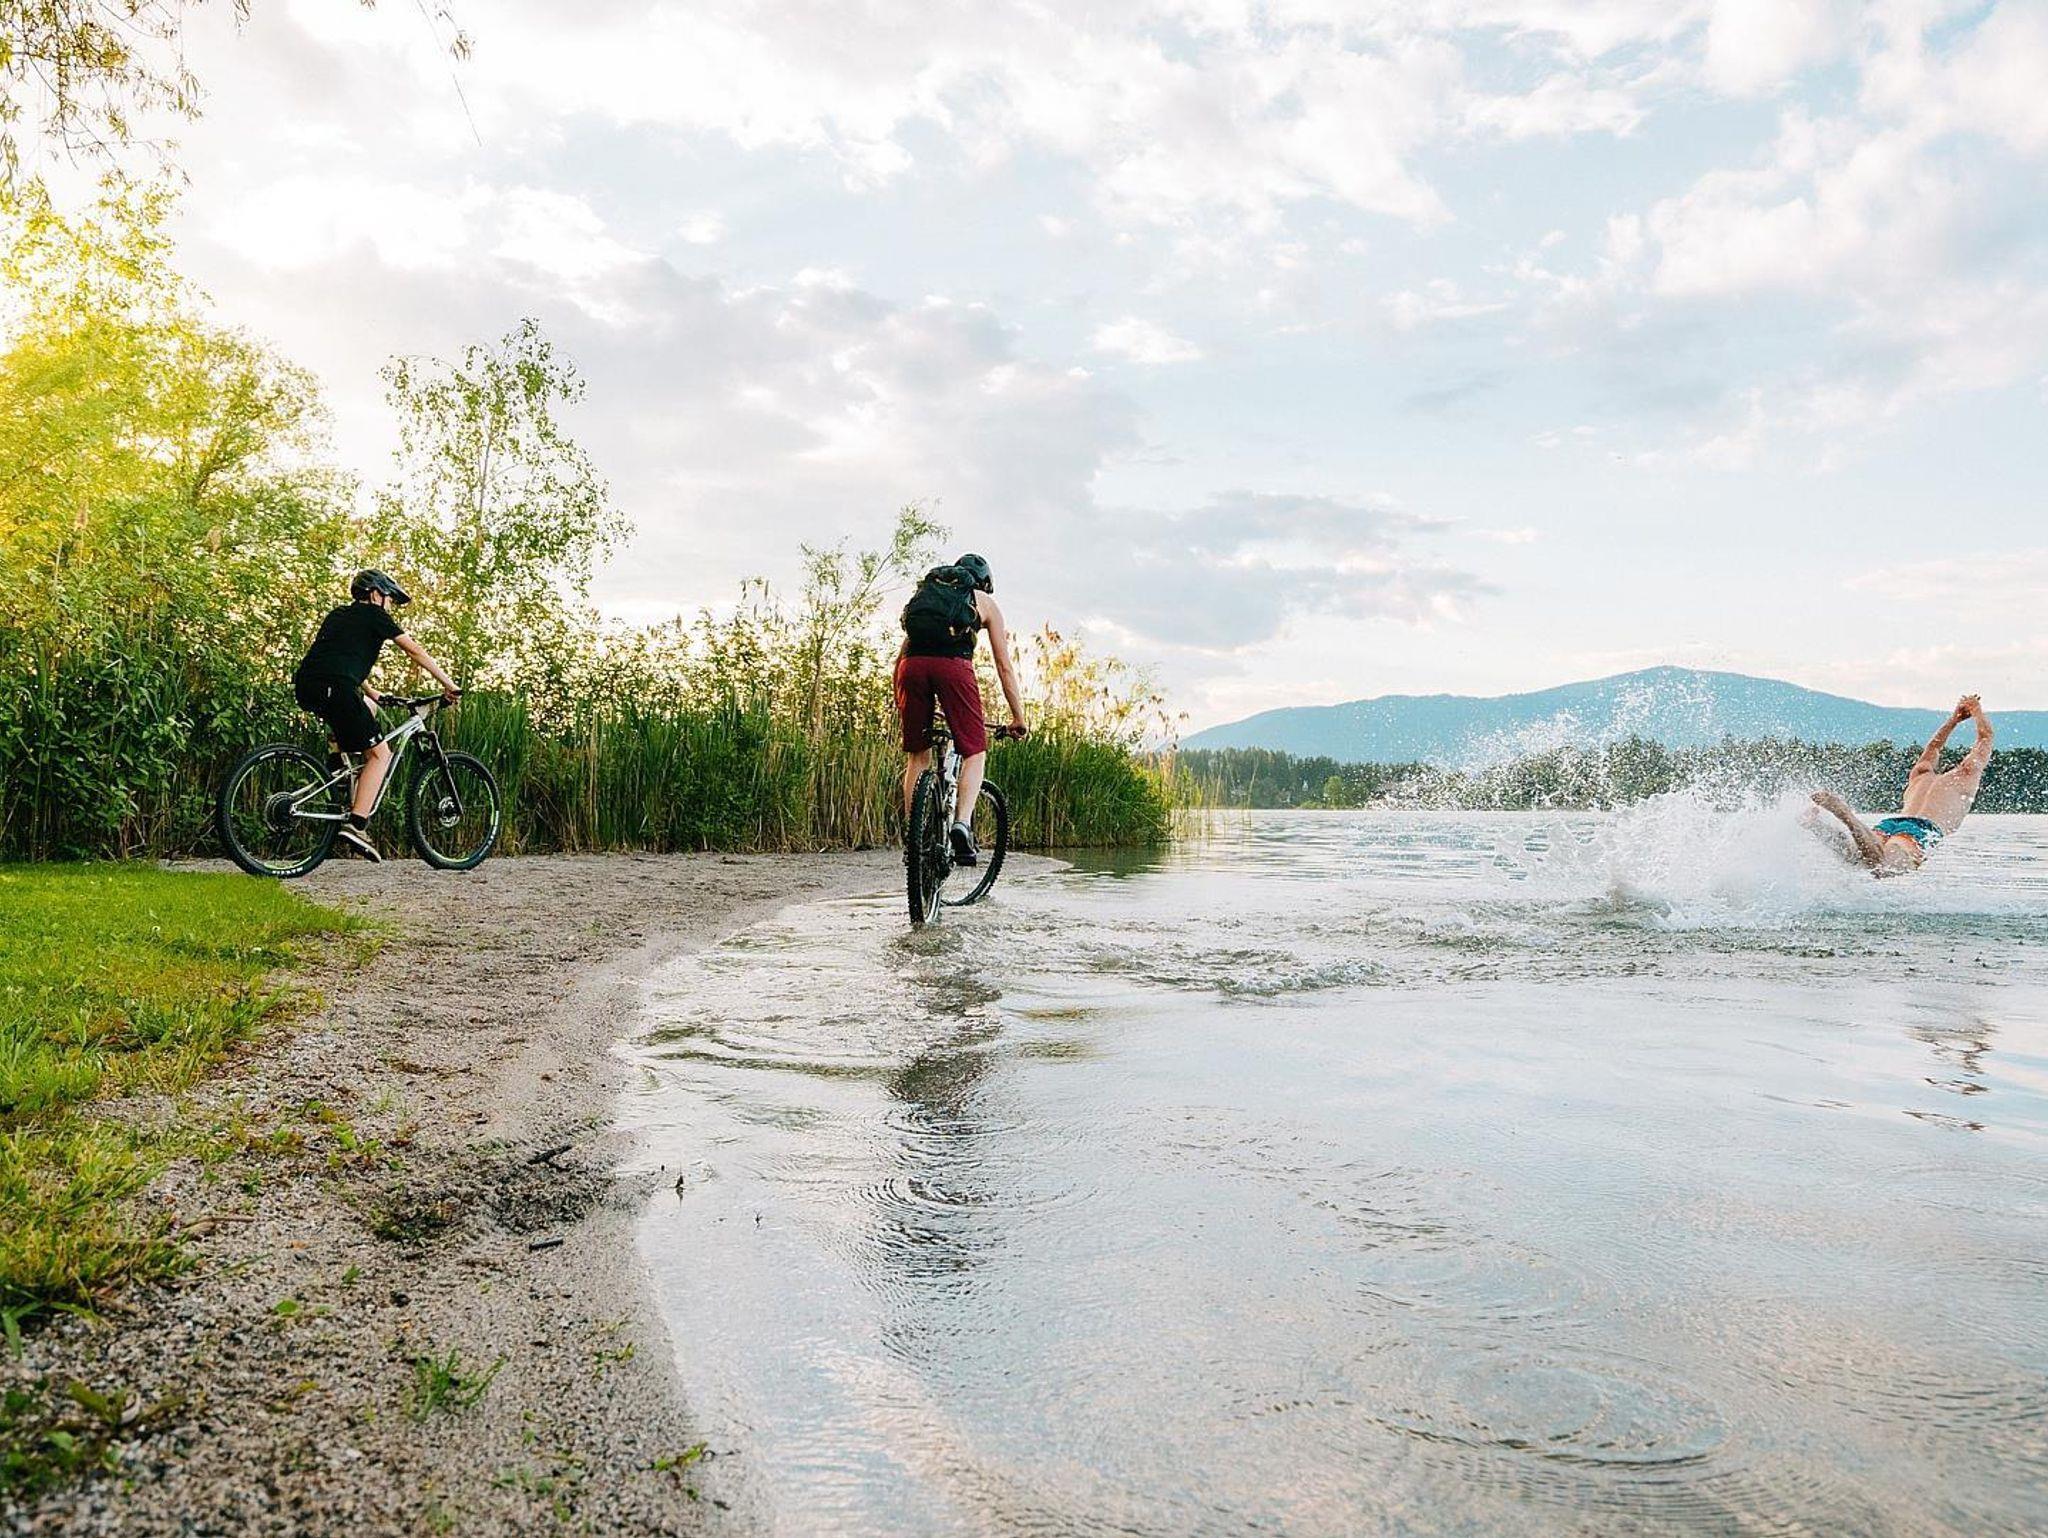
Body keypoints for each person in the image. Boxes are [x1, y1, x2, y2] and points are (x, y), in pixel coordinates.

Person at [293, 569, 460, 862]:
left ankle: (338, 761)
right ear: (374, 594)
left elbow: (337, 658)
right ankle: (357, 825)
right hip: (337, 688)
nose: (390, 604)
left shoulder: (338, 615)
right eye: (389, 598)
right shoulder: (375, 615)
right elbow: (415, 651)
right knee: (381, 755)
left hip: (308, 686)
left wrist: (372, 693)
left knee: (368, 708)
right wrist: (449, 685)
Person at [895, 553, 1028, 865]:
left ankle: (914, 841)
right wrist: (1018, 717)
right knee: (974, 752)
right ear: (983, 583)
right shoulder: (984, 602)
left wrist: (900, 698)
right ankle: (962, 824)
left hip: (910, 669)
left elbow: (901, 659)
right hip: (953, 668)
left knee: (918, 756)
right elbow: (1004, 666)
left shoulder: (929, 597)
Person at [1808, 695, 1993, 876]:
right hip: (1923, 830)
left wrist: (1954, 720)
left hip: (1891, 823)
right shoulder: (1965, 776)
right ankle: (1846, 816)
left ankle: (1818, 825)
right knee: (1883, 866)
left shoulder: (1920, 774)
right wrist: (1976, 710)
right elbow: (1985, 738)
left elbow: (1933, 747)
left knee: (1858, 857)